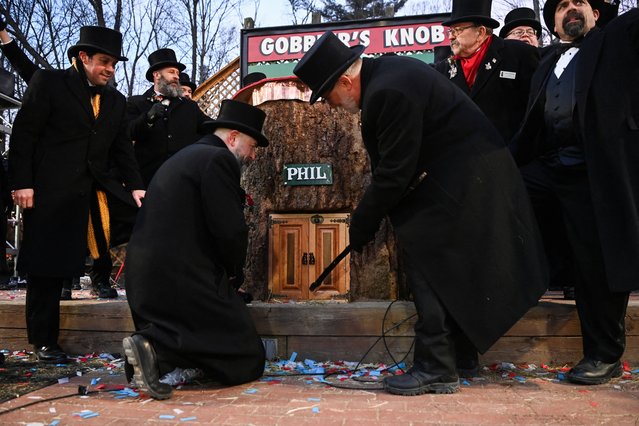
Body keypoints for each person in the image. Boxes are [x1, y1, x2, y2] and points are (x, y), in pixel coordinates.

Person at [293, 31, 548, 396]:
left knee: (429, 263)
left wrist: (362, 223)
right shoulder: (390, 76)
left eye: (328, 96)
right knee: (449, 267)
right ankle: (459, 355)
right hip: (462, 181)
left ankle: (435, 366)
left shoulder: (388, 91)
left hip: (467, 183)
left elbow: (395, 172)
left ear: (346, 81)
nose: (331, 106)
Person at [510, 0, 635, 385]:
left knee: (594, 263)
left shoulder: (613, 42)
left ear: (598, 14)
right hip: (549, 165)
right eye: (562, 6)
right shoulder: (546, 61)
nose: (571, 9)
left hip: (592, 170)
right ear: (554, 22)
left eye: (580, 2)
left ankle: (604, 353)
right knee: (499, 194)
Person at [8, 26, 145, 364]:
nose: (110, 69)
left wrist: (137, 185)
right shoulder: (50, 83)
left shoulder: (115, 100)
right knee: (48, 267)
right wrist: (22, 182)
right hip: (50, 191)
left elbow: (121, 148)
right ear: (83, 58)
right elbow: (24, 134)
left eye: (114, 63)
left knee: (145, 222)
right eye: (104, 62)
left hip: (96, 190)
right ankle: (44, 341)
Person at [122, 99, 268, 400]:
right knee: (247, 357)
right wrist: (233, 276)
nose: (253, 155)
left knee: (208, 328)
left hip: (149, 278)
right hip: (179, 277)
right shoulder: (219, 160)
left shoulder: (189, 155)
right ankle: (156, 348)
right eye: (252, 146)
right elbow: (229, 230)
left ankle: (156, 356)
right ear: (232, 138)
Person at [87, 48, 213, 296]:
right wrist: (148, 119)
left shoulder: (188, 108)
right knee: (125, 230)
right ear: (157, 75)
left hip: (180, 183)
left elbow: (208, 129)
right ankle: (101, 278)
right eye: (172, 71)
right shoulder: (135, 103)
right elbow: (125, 135)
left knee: (178, 234)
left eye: (178, 72)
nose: (177, 76)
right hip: (144, 183)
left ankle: (176, 282)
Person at [433, 0, 539, 143]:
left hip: (512, 155)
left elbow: (535, 109)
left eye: (457, 30)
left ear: (480, 32)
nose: (451, 36)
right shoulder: (444, 68)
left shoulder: (519, 54)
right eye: (450, 31)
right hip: (465, 157)